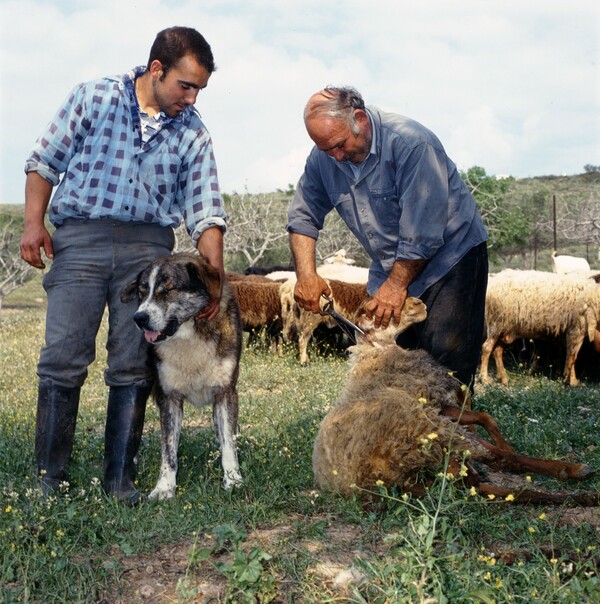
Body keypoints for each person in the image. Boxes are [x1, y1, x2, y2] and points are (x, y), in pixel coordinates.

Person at [20, 26, 227, 504]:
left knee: (133, 362)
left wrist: (214, 283)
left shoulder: (193, 133)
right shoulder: (93, 98)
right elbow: (44, 161)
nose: (192, 99)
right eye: (186, 85)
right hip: (81, 240)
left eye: (199, 89)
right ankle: (50, 479)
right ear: (157, 70)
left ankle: (120, 481)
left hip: (148, 251)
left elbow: (206, 210)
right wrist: (34, 224)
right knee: (64, 355)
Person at [287, 86, 488, 390]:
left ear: (359, 118)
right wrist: (306, 275)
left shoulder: (411, 144)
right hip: (392, 263)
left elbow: (421, 233)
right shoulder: (324, 158)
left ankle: (457, 433)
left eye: (340, 145)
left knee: (447, 367)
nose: (336, 157)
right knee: (394, 362)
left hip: (450, 259)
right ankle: (409, 434)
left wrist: (395, 286)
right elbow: (302, 217)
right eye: (327, 150)